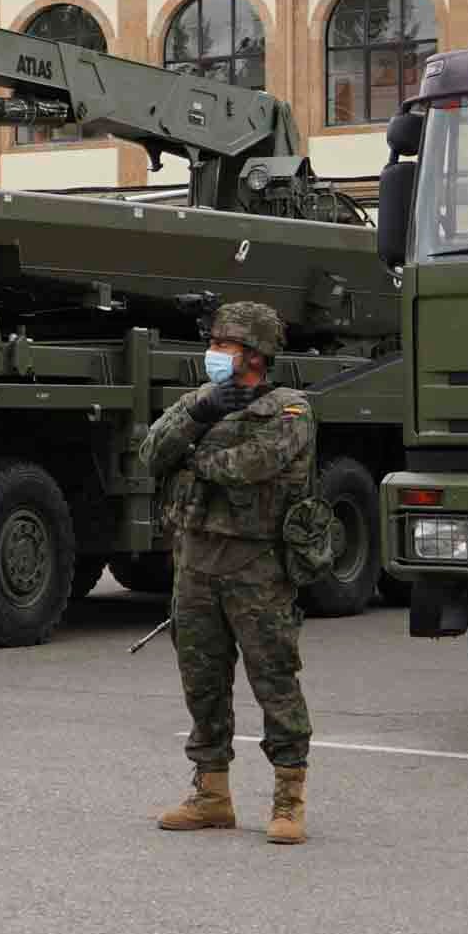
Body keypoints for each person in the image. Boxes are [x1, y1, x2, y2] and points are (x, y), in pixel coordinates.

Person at [138, 300, 316, 844]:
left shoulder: (291, 410)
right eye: (212, 343)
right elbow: (150, 453)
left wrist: (196, 459)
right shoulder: (198, 403)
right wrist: (201, 414)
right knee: (203, 683)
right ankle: (211, 794)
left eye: (225, 345)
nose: (213, 354)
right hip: (195, 562)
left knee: (274, 681)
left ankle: (288, 799)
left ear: (255, 354)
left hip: (255, 564)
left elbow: (252, 466)